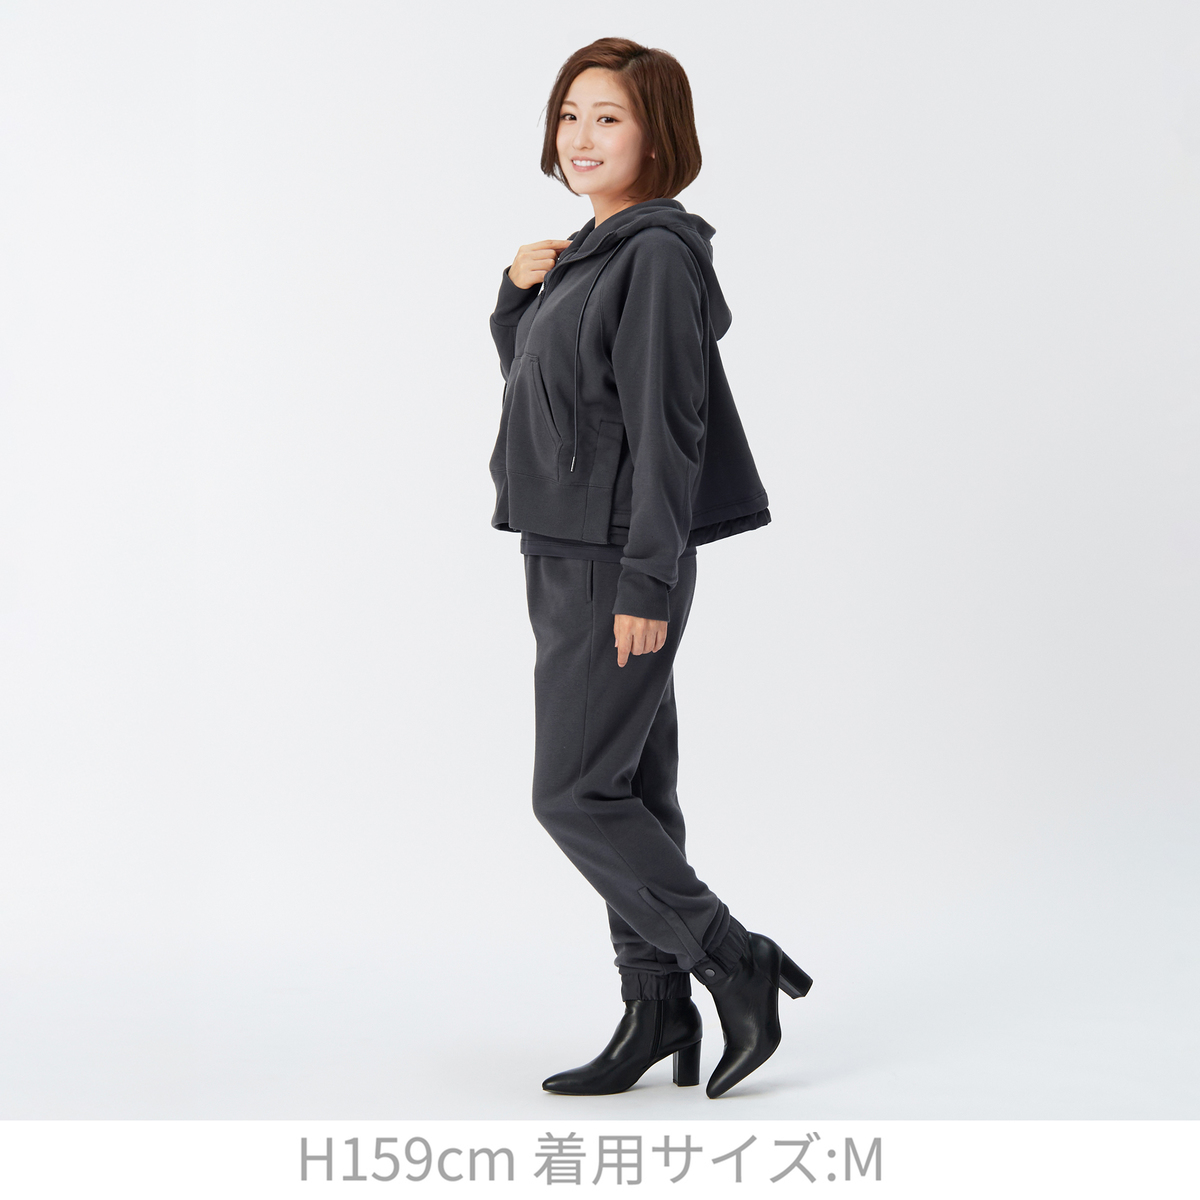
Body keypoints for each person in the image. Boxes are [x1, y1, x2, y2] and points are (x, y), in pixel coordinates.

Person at [487, 36, 812, 1100]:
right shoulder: (586, 252)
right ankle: (655, 1007)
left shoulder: (657, 255)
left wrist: (648, 581)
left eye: (609, 117)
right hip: (564, 547)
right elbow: (549, 400)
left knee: (575, 795)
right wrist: (514, 301)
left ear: (656, 134)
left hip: (616, 559)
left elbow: (672, 432)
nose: (582, 136)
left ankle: (734, 960)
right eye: (570, 114)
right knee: (629, 788)